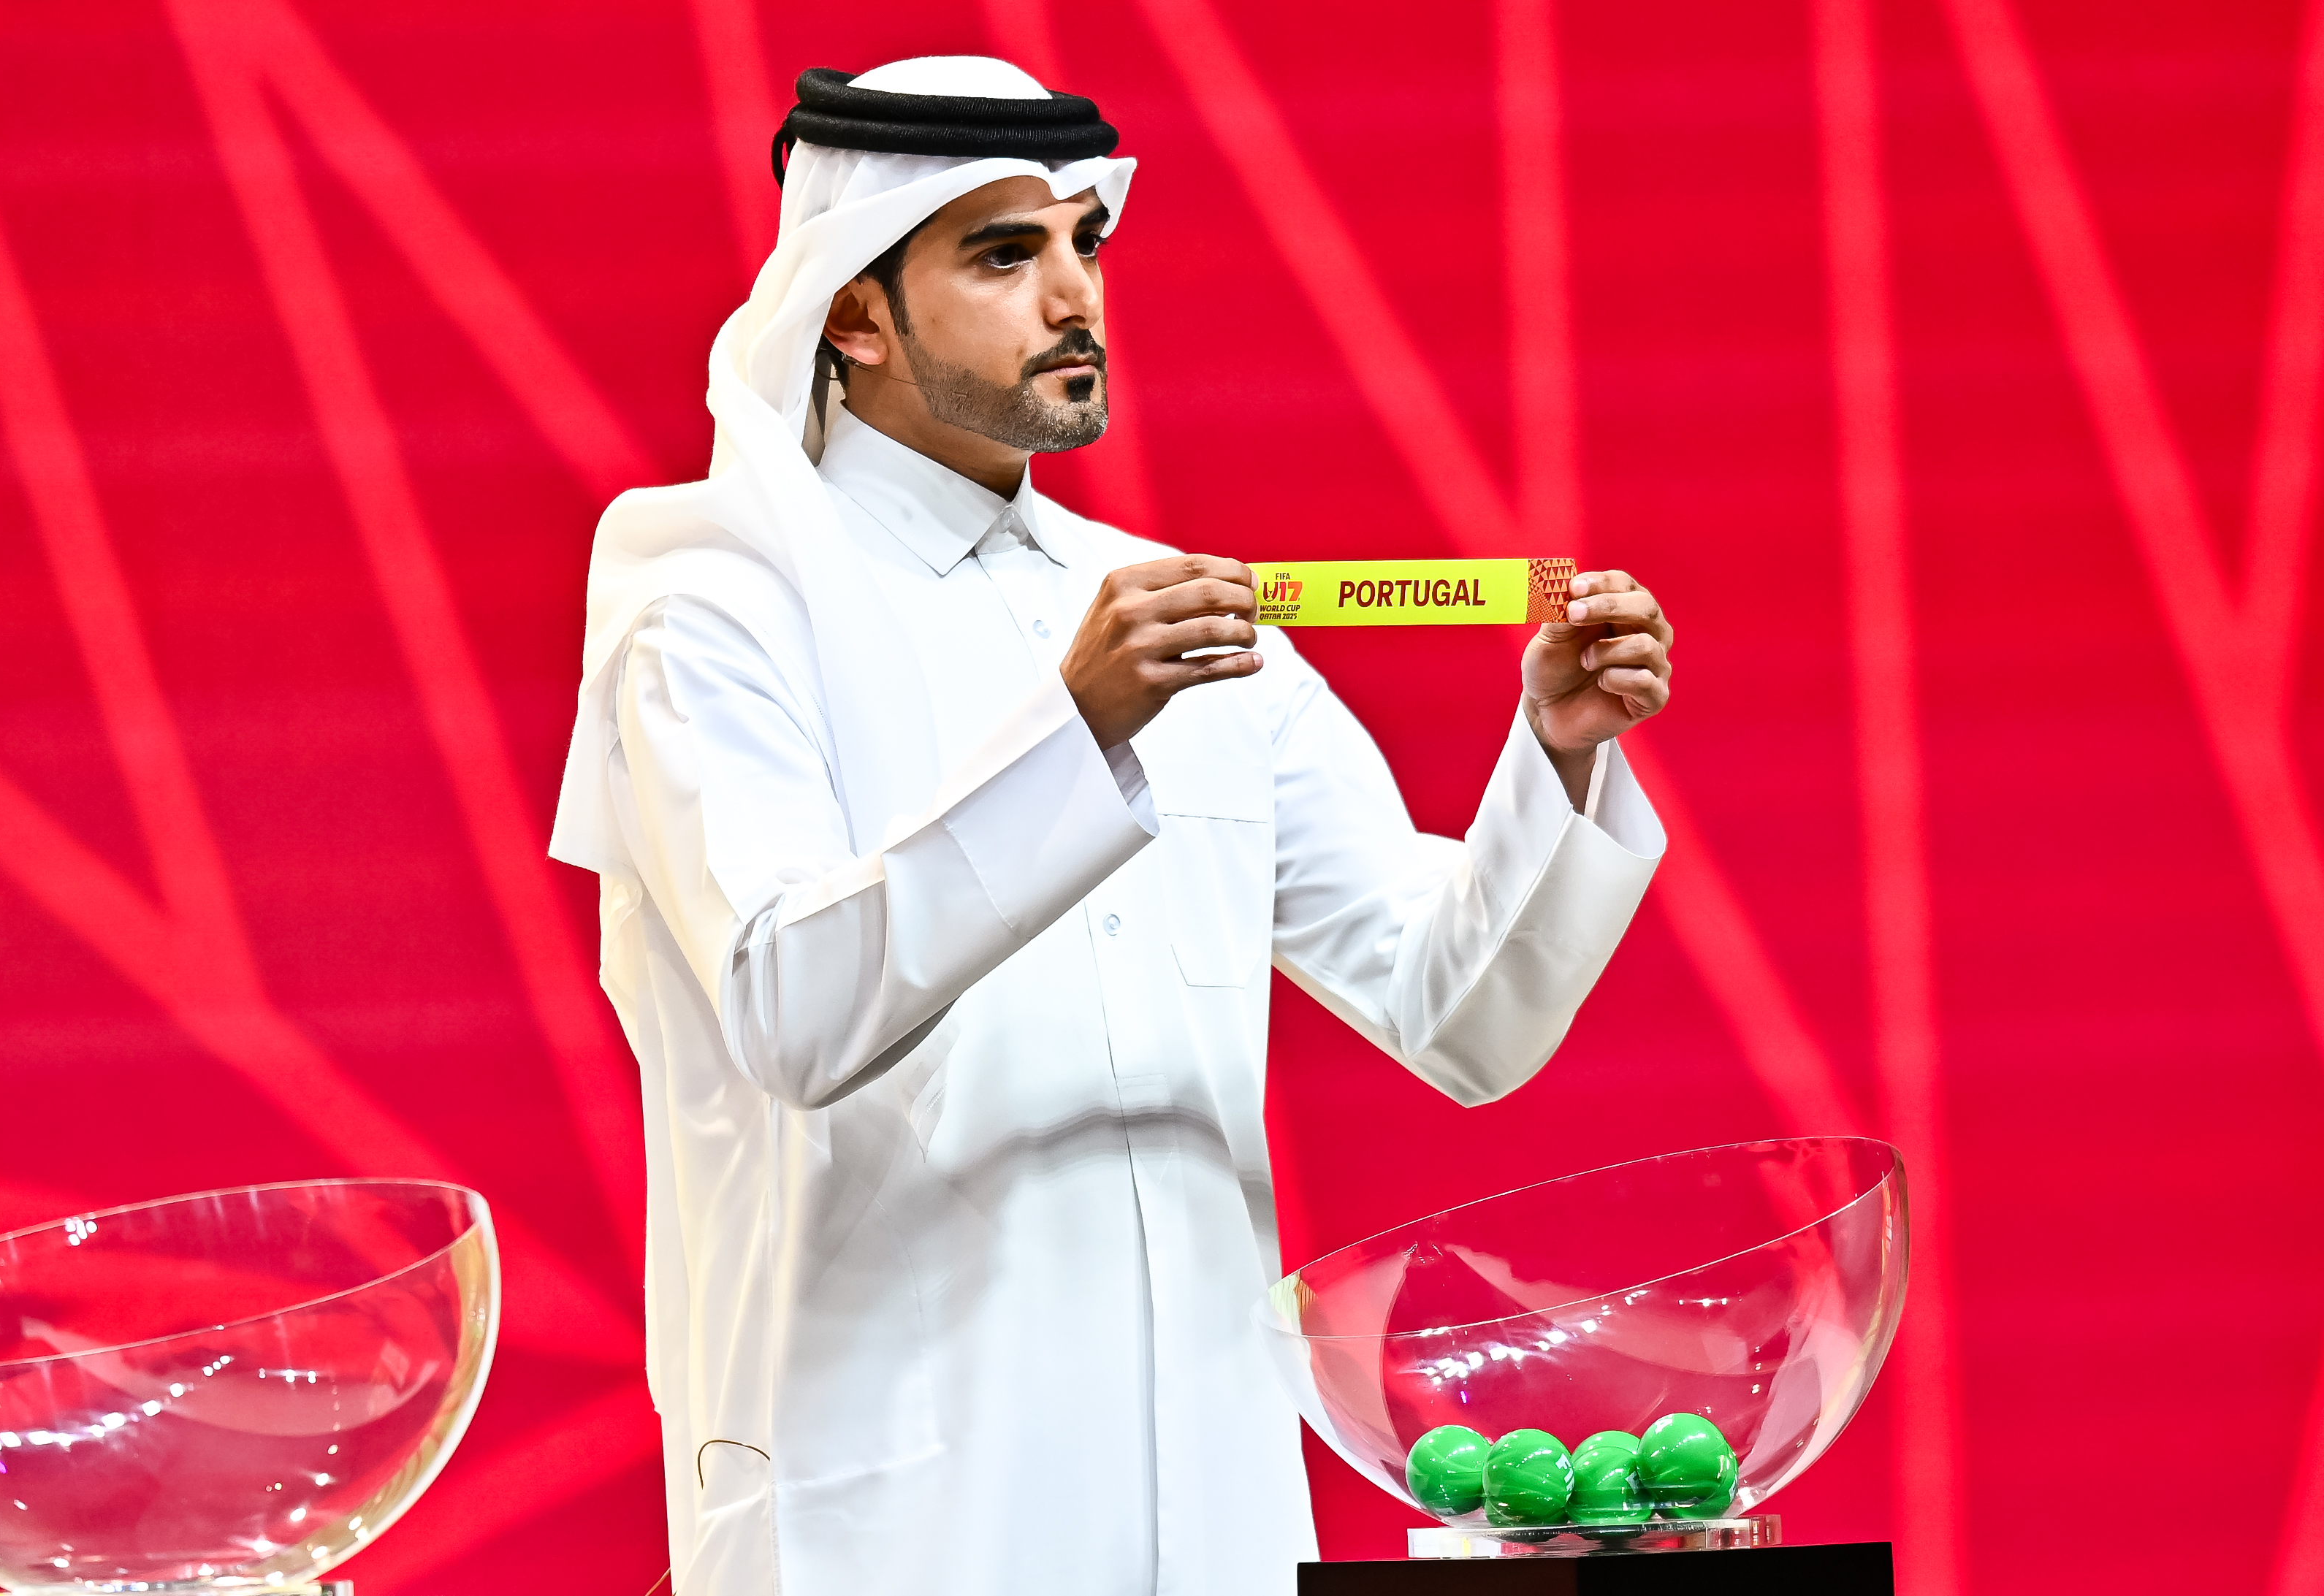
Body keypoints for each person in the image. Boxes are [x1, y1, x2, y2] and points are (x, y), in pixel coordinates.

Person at [549, 54, 1674, 1596]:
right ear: (853, 317)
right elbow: (787, 1004)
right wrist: (1076, 735)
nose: (1074, 293)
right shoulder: (716, 606)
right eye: (1006, 255)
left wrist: (1554, 755)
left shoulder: (1186, 614)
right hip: (889, 1509)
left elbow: (1456, 1015)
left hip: (1214, 1495)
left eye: (1086, 241)